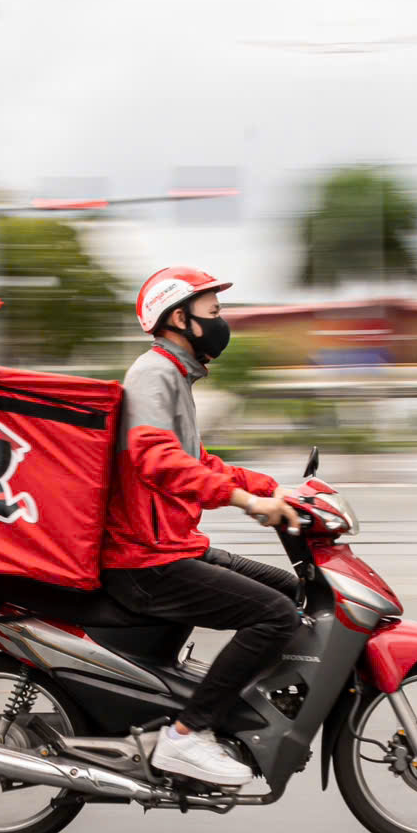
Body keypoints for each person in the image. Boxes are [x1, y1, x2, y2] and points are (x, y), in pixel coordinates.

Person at [103, 266, 302, 786]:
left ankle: (238, 710)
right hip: (147, 560)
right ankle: (187, 736)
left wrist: (268, 488)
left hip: (173, 545)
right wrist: (241, 499)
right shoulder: (153, 373)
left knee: (292, 590)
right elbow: (156, 459)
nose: (222, 323)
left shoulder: (174, 376)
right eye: (213, 313)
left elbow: (199, 461)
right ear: (179, 318)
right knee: (276, 616)